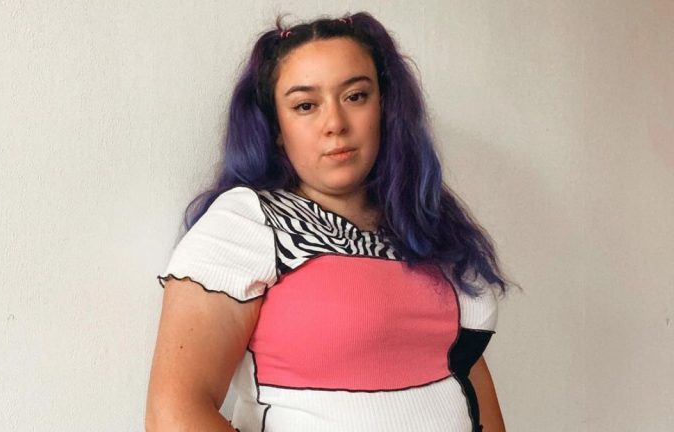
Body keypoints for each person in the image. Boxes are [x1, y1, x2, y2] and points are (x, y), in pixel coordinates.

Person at [146, 12, 514, 432]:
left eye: (355, 96)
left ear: (385, 107)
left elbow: (465, 369)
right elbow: (173, 414)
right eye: (306, 105)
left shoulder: (425, 224)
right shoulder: (250, 223)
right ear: (277, 127)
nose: (335, 124)